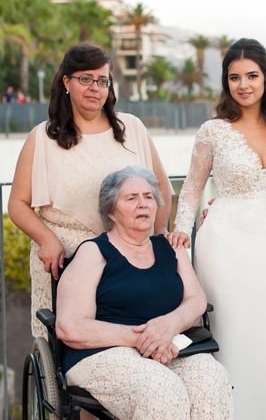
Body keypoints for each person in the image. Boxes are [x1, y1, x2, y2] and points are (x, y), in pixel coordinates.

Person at [167, 38, 266, 419]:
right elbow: (191, 190)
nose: (244, 85)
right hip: (223, 245)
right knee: (230, 334)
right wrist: (180, 236)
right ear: (226, 83)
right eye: (235, 77)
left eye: (252, 76)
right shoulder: (213, 131)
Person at [8, 43, 172, 338]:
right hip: (65, 260)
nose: (95, 87)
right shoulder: (43, 138)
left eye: (102, 80)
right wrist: (46, 239)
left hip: (128, 260)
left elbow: (161, 190)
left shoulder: (132, 128)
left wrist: (156, 247)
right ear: (66, 82)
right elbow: (18, 204)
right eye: (85, 78)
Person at [56, 166, 233, 419]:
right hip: (103, 351)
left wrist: (169, 326)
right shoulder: (94, 252)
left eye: (148, 197)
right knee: (161, 390)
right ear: (110, 211)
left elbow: (196, 301)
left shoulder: (171, 248)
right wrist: (146, 338)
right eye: (131, 198)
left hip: (170, 345)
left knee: (212, 380)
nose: (143, 204)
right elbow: (69, 327)